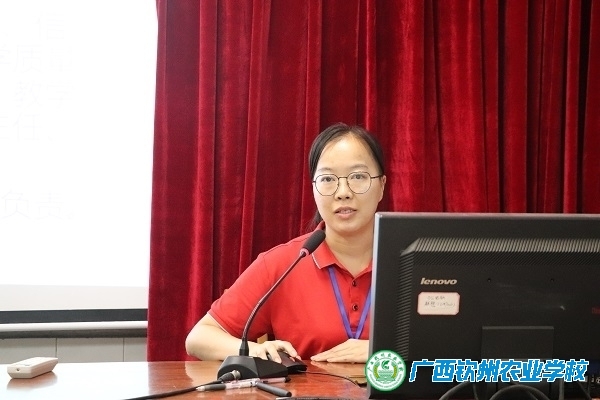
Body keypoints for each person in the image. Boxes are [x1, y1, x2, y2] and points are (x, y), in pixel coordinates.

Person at [185, 122, 386, 364]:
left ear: (382, 186)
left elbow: (433, 343)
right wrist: (254, 350)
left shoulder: (414, 260)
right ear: (313, 189)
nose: (343, 192)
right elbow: (199, 338)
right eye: (327, 179)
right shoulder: (284, 264)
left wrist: (382, 349)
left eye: (358, 176)